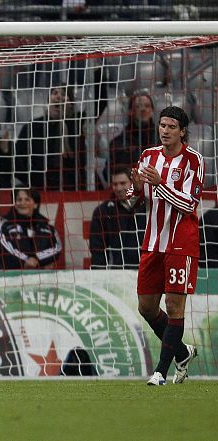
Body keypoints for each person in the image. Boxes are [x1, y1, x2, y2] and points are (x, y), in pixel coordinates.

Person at [127, 106, 201, 386]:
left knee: (173, 305)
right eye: (162, 126)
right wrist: (133, 189)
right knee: (146, 307)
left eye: (171, 127)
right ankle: (183, 353)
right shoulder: (148, 156)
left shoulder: (194, 160)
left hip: (181, 243)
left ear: (182, 131)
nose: (165, 131)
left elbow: (189, 205)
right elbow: (134, 200)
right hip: (152, 242)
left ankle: (161, 371)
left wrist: (160, 185)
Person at [14, 85, 87, 191]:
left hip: (73, 188)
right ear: (48, 102)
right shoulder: (31, 127)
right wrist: (35, 183)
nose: (58, 97)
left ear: (71, 105)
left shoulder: (78, 123)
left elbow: (99, 105)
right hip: (39, 190)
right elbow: (18, 163)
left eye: (63, 94)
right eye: (55, 93)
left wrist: (97, 71)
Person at [89, 168, 146, 269]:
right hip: (117, 274)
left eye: (123, 183)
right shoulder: (103, 211)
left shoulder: (148, 207)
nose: (119, 188)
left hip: (146, 271)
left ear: (133, 183)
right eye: (115, 184)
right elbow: (97, 248)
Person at [0, 188, 62, 270]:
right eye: (19, 199)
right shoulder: (4, 225)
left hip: (40, 278)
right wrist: (25, 261)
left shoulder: (48, 228)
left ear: (35, 204)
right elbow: (2, 250)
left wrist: (35, 260)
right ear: (14, 203)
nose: (22, 203)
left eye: (27, 199)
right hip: (9, 277)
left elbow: (57, 248)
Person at [108, 91, 156, 175]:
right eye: (138, 106)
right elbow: (109, 172)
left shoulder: (163, 138)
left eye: (147, 106)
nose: (143, 109)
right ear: (131, 111)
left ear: (152, 111)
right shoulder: (119, 142)